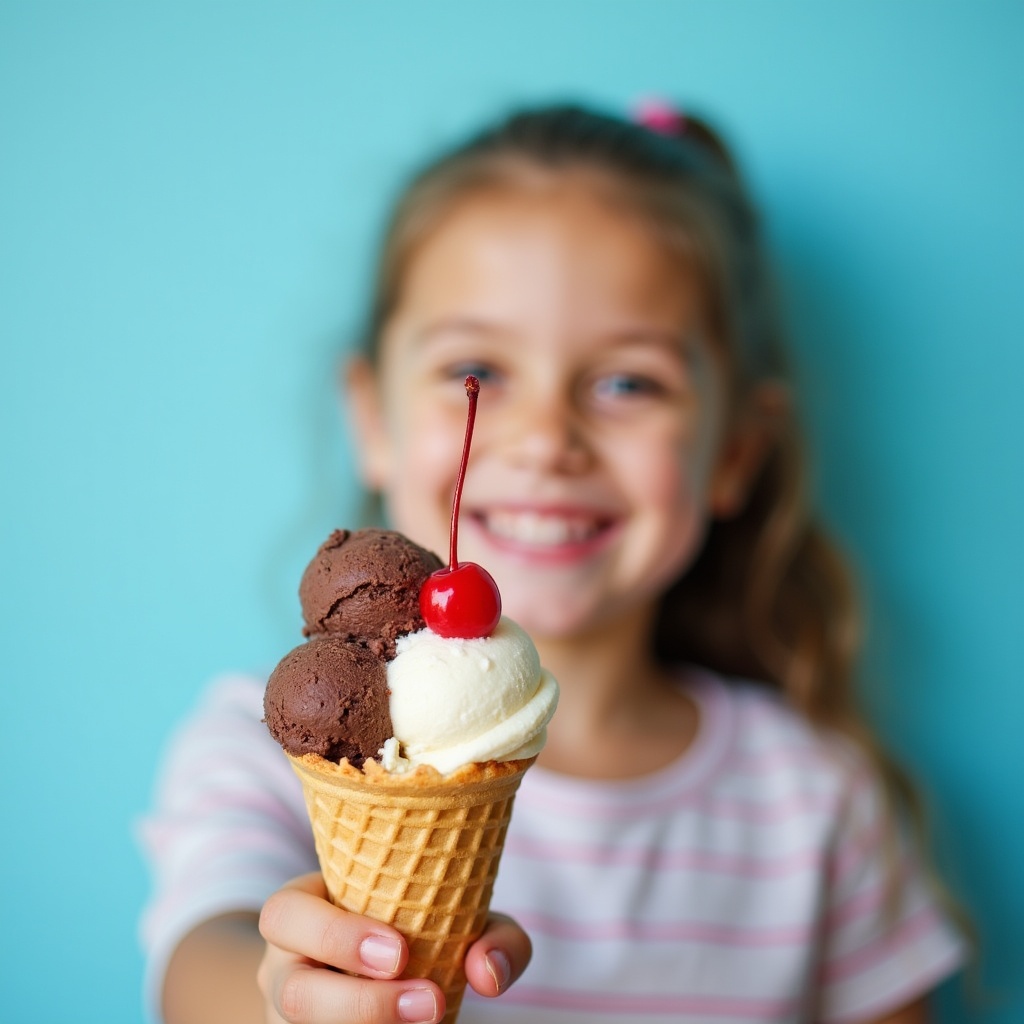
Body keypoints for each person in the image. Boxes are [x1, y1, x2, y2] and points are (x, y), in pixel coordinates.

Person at [140, 102, 966, 1024]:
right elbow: (199, 968)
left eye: (627, 382)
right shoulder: (274, 743)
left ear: (736, 450)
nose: (544, 439)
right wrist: (283, 996)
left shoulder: (818, 803)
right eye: (479, 371)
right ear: (371, 419)